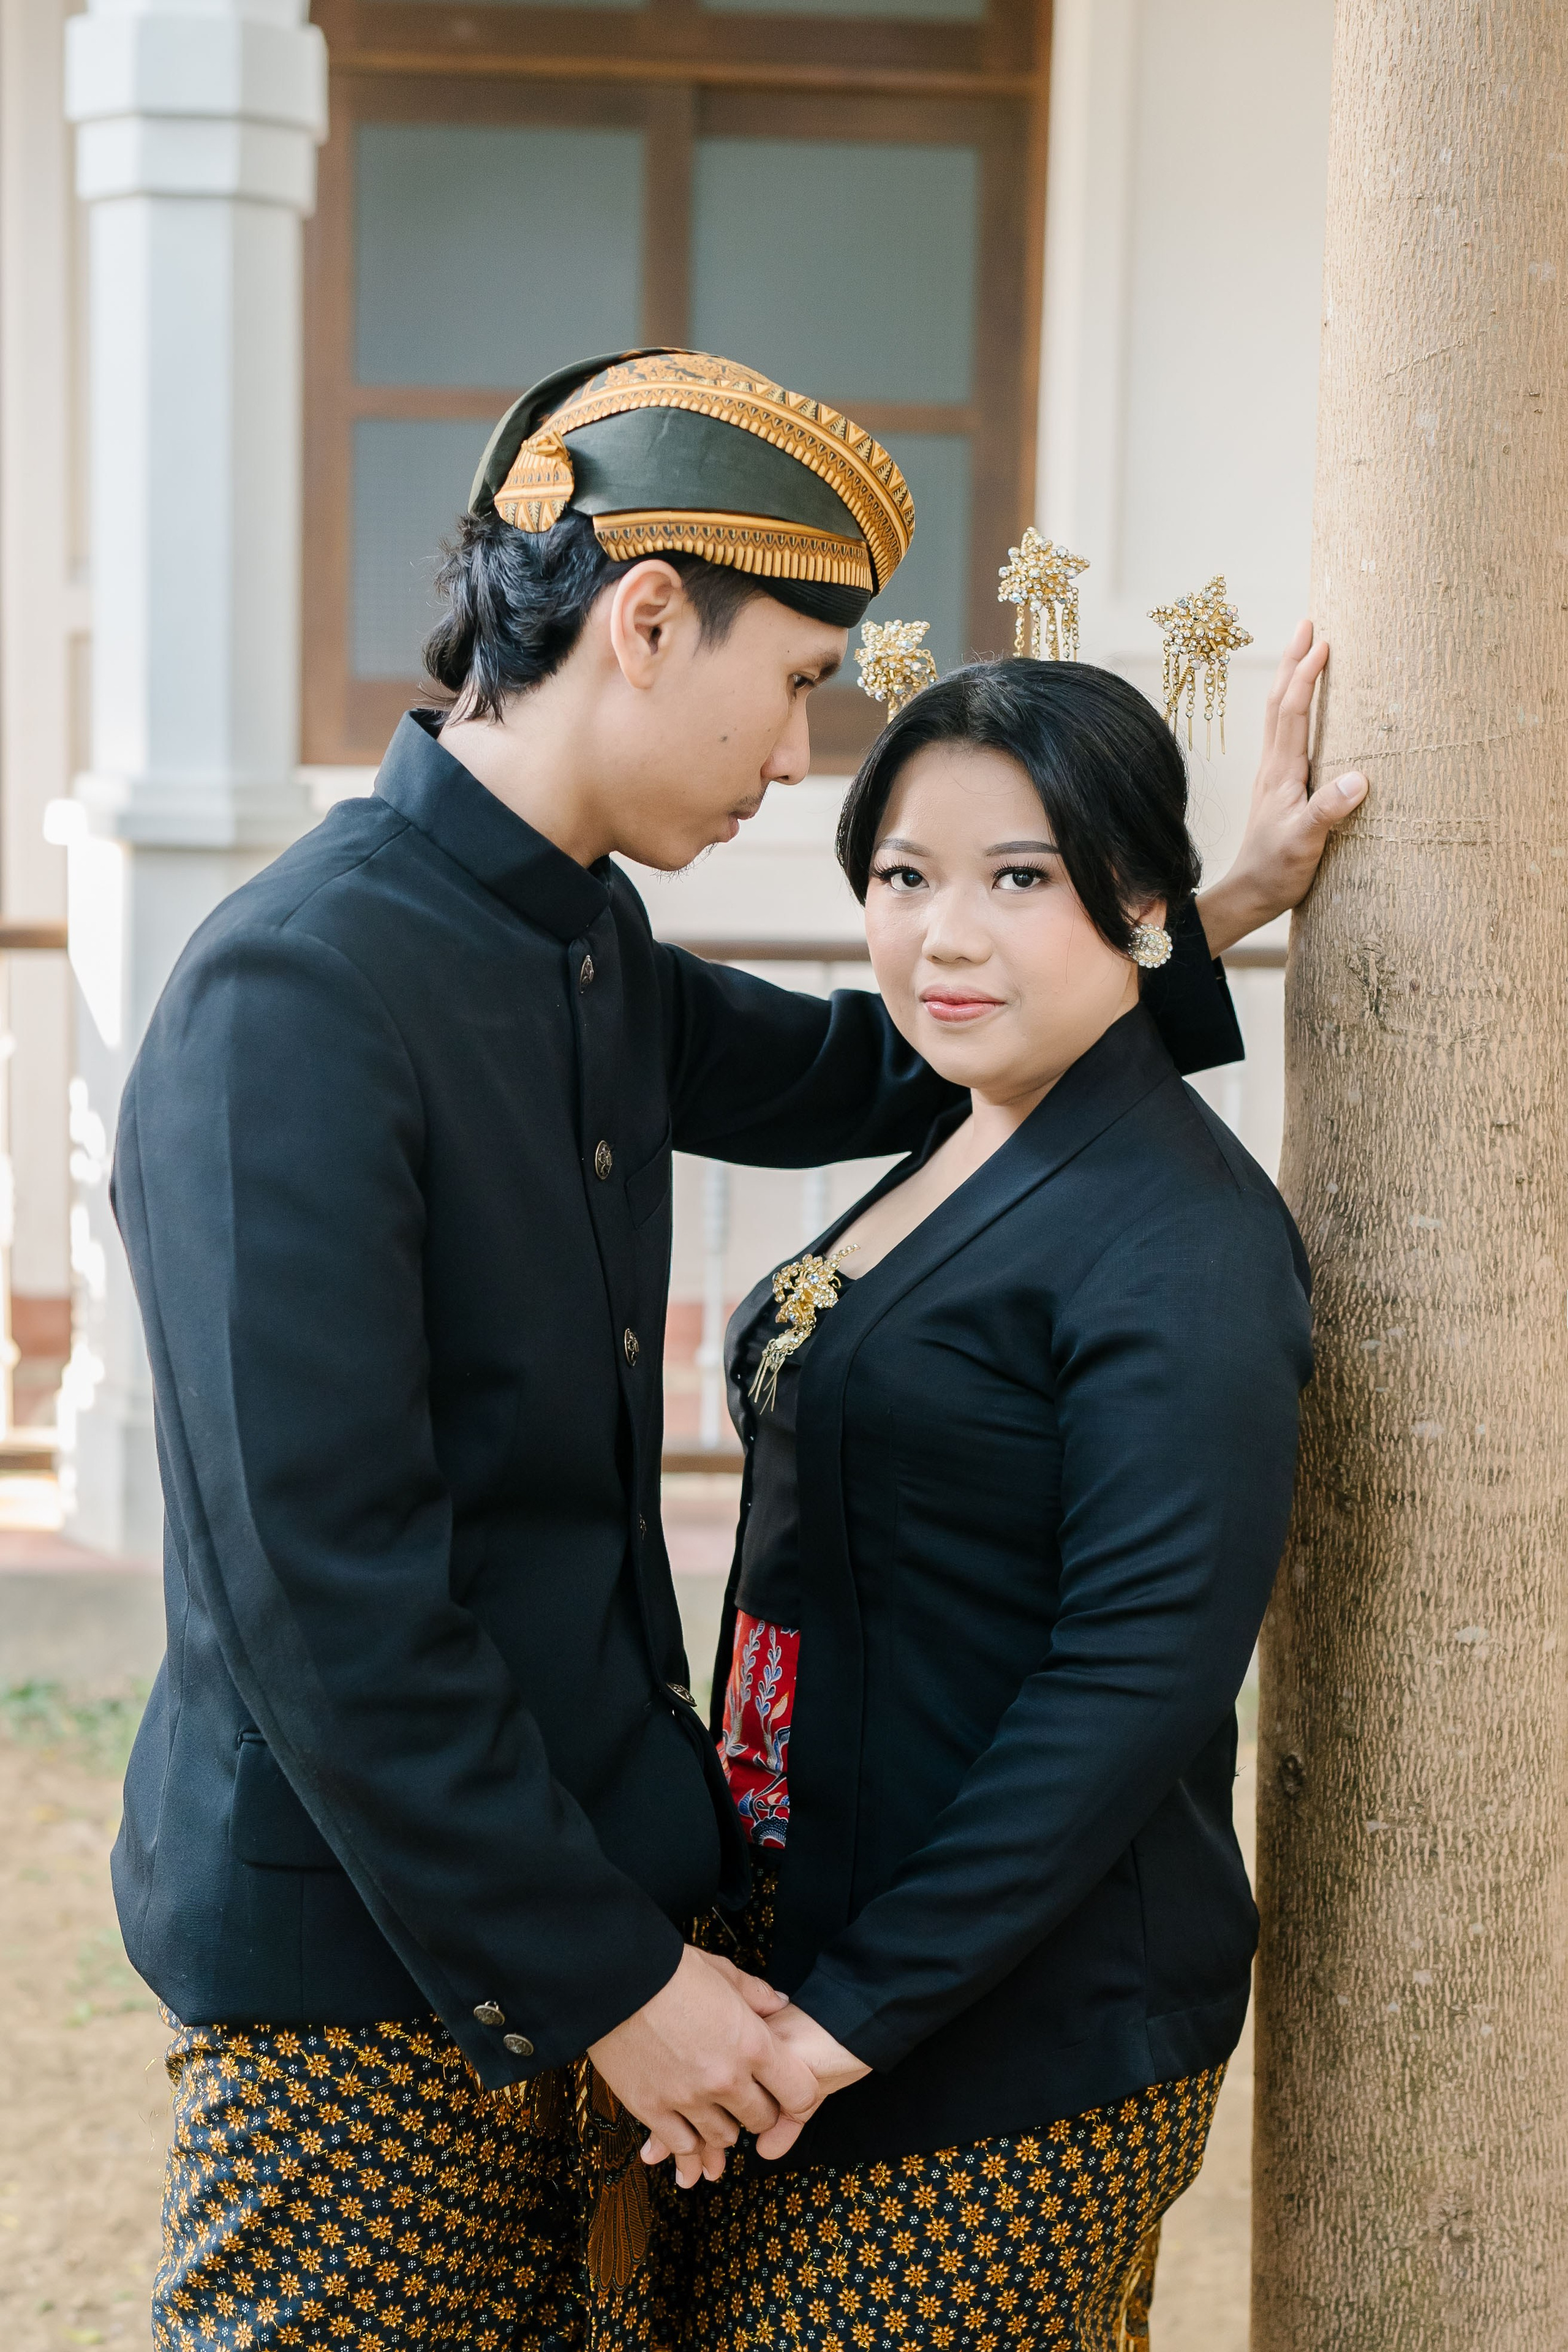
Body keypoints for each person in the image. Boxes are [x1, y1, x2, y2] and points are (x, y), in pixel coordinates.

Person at [110, 345, 1357, 2352]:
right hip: (373, 1957)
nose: (797, 758)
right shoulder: (300, 991)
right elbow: (320, 1588)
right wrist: (611, 1980)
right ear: (649, 617)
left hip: (613, 1931)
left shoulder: (586, 944)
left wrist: (1171, 906)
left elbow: (923, 1038)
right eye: (795, 683)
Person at [638, 654, 1316, 2352]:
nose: (947, 936)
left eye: (1021, 877)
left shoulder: (1186, 1245)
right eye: (903, 876)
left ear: (1134, 897)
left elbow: (1134, 1686)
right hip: (821, 1955)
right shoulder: (975, 1126)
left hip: (1015, 2026)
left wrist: (841, 2023)